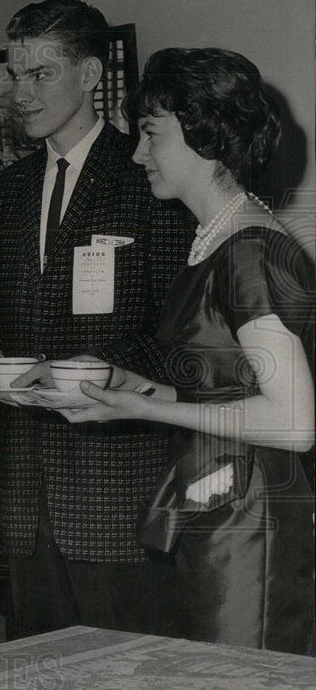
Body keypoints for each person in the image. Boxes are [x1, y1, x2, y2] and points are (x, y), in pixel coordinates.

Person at [57, 48, 315, 655]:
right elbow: (235, 388)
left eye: (151, 134)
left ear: (209, 136)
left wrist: (146, 411)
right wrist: (133, 388)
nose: (138, 152)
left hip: (251, 515)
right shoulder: (223, 236)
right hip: (224, 496)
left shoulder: (248, 249)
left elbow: (297, 421)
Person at [0, 0, 194, 639]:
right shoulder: (6, 194)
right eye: (16, 75)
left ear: (90, 75)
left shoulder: (148, 176)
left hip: (121, 496)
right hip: (27, 504)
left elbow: (182, 344)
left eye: (41, 74)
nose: (22, 93)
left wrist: (92, 370)